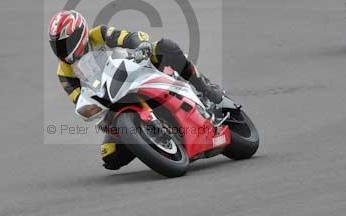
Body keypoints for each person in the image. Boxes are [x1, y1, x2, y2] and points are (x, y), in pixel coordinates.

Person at [48, 10, 225, 170]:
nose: (63, 49)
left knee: (165, 46)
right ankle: (149, 140)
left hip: (134, 70)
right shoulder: (64, 72)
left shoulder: (99, 34)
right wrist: (94, 112)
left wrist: (140, 44)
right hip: (111, 101)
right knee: (110, 155)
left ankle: (205, 88)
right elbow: (80, 99)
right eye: (57, 46)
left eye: (66, 43)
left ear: (81, 33)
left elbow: (127, 37)